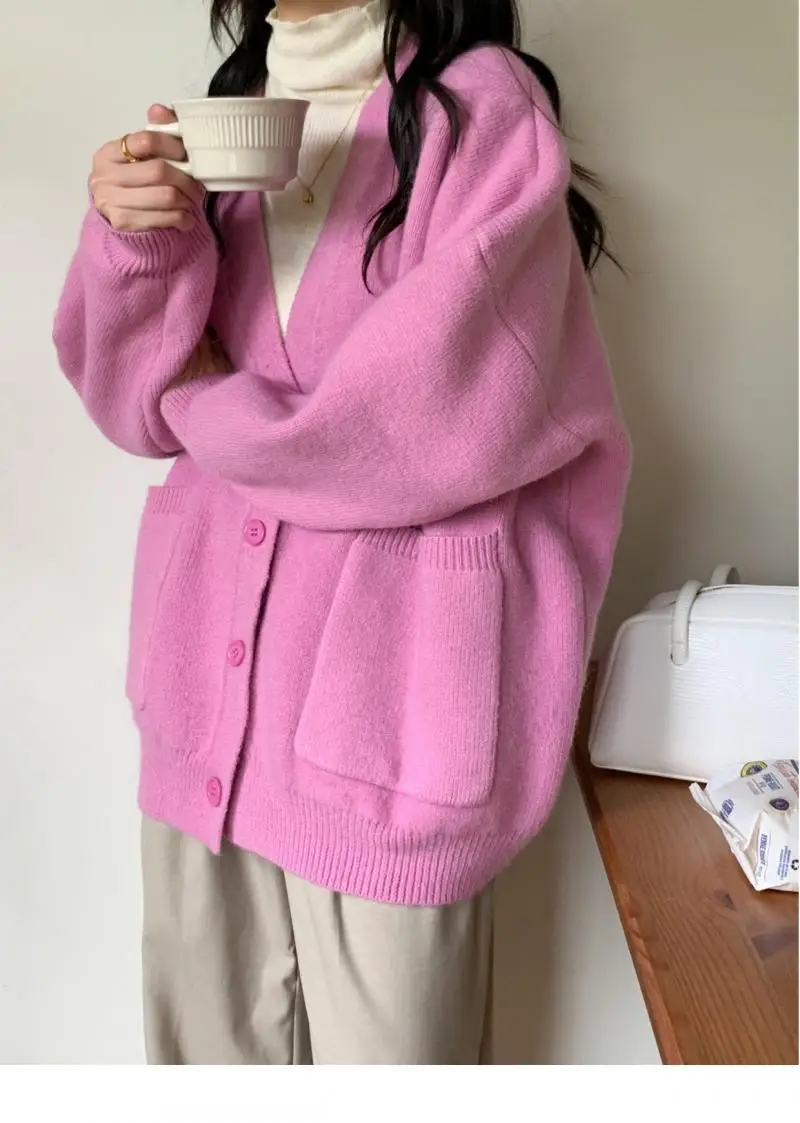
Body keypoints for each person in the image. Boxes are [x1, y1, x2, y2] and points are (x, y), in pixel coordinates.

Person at [53, 0, 631, 1065]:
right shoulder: (231, 113)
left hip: (387, 734)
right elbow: (133, 401)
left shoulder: (480, 111)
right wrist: (137, 240)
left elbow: (422, 422)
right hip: (204, 712)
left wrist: (209, 398)